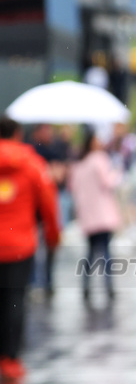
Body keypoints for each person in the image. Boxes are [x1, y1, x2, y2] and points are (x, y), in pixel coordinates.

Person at [0, 118, 60, 384]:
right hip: (19, 245)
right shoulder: (32, 164)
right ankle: (10, 359)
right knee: (14, 301)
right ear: (18, 133)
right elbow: (48, 203)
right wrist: (53, 236)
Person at [67, 127, 123, 304]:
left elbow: (72, 188)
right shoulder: (99, 159)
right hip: (102, 214)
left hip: (88, 215)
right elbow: (109, 182)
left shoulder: (78, 164)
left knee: (91, 252)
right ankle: (108, 286)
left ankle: (85, 285)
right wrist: (117, 172)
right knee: (105, 251)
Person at [26, 122, 69, 295]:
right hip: (34, 207)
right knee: (35, 247)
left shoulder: (54, 148)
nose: (49, 132)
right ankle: (36, 282)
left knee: (49, 245)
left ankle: (46, 281)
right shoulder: (30, 151)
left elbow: (61, 175)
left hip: (47, 203)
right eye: (46, 129)